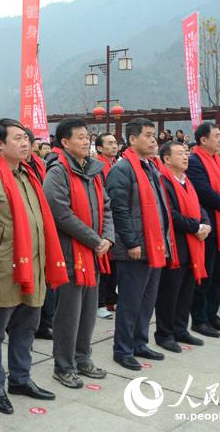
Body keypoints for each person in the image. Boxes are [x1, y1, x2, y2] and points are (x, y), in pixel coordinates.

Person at [0, 118, 66, 414]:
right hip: (2, 270)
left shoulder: (28, 173)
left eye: (27, 138)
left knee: (27, 328)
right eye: (18, 139)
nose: (26, 144)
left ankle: (21, 379)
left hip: (32, 268)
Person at [43, 119, 113, 389]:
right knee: (68, 314)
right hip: (71, 253)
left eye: (88, 137)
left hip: (94, 252)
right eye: (80, 137)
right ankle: (63, 366)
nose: (86, 141)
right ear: (64, 142)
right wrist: (96, 240)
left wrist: (107, 237)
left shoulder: (93, 171)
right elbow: (60, 213)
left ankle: (83, 358)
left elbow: (106, 207)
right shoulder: (58, 171)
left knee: (87, 312)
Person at [106, 118, 173, 371]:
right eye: (147, 135)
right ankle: (122, 349)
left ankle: (139, 342)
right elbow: (119, 209)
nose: (154, 139)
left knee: (147, 300)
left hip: (154, 245)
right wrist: (132, 241)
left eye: (154, 134)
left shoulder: (151, 167)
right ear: (132, 140)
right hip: (134, 248)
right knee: (130, 301)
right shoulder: (122, 169)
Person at [186, 122, 220, 338]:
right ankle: (199, 319)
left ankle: (213, 314)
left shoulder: (219, 160)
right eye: (217, 136)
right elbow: (204, 192)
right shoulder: (195, 162)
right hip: (211, 226)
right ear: (203, 140)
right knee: (206, 275)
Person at [155, 141, 210, 353]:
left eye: (186, 153)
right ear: (167, 159)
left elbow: (199, 206)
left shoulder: (186, 181)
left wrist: (205, 224)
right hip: (176, 245)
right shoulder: (163, 181)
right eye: (180, 154)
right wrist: (197, 226)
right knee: (170, 293)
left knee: (186, 290)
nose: (185, 157)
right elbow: (171, 215)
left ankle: (180, 328)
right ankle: (164, 333)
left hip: (192, 243)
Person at [94, 132, 119, 319]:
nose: (113, 146)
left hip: (114, 221)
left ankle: (110, 299)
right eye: (109, 143)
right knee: (103, 264)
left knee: (113, 265)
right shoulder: (98, 167)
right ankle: (100, 302)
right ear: (100, 148)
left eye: (115, 143)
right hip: (104, 221)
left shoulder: (115, 165)